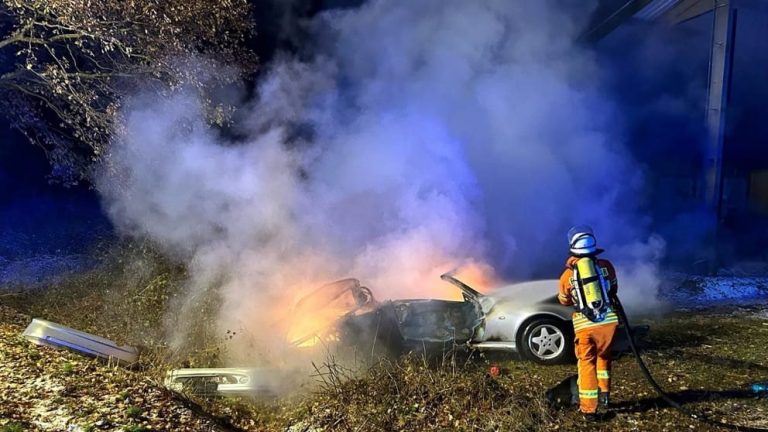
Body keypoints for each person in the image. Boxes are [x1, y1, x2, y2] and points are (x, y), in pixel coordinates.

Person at [558, 225, 619, 421]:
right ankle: (605, 396)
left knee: (587, 364)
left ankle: (589, 409)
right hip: (608, 323)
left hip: (585, 326)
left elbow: (564, 300)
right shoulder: (606, 266)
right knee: (604, 357)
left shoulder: (567, 276)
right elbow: (614, 288)